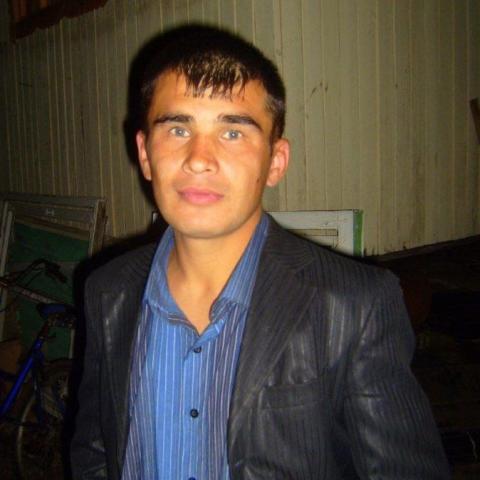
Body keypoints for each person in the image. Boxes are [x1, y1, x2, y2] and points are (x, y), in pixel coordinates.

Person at [71, 25, 449, 480]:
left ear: (275, 161)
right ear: (146, 154)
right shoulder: (108, 292)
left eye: (232, 132)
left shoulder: (354, 306)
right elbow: (95, 451)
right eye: (177, 129)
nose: (199, 158)